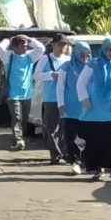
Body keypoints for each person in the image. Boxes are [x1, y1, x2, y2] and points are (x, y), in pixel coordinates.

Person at [76, 37, 111, 181]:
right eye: (108, 49)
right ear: (103, 50)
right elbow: (81, 82)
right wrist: (84, 99)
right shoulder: (93, 64)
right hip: (95, 110)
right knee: (97, 141)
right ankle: (99, 168)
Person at [0, 34, 46, 151]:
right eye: (22, 46)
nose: (26, 48)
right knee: (17, 117)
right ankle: (18, 140)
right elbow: (0, 47)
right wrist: (9, 39)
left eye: (26, 46)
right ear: (15, 47)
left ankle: (19, 139)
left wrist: (29, 39)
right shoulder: (8, 57)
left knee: (24, 120)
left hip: (27, 94)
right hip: (13, 95)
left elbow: (41, 49)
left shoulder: (30, 57)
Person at [34, 34, 70, 164]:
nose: (62, 47)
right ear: (53, 45)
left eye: (64, 45)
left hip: (65, 98)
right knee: (52, 128)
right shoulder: (45, 59)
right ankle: (55, 155)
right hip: (50, 98)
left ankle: (65, 152)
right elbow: (36, 75)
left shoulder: (68, 60)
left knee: (64, 127)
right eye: (59, 44)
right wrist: (51, 75)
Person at [57, 42, 92, 175]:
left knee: (87, 137)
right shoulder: (67, 67)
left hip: (88, 109)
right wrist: (60, 104)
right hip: (70, 108)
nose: (85, 57)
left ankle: (87, 162)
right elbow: (60, 87)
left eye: (87, 54)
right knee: (71, 137)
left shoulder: (92, 66)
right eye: (81, 54)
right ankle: (75, 162)